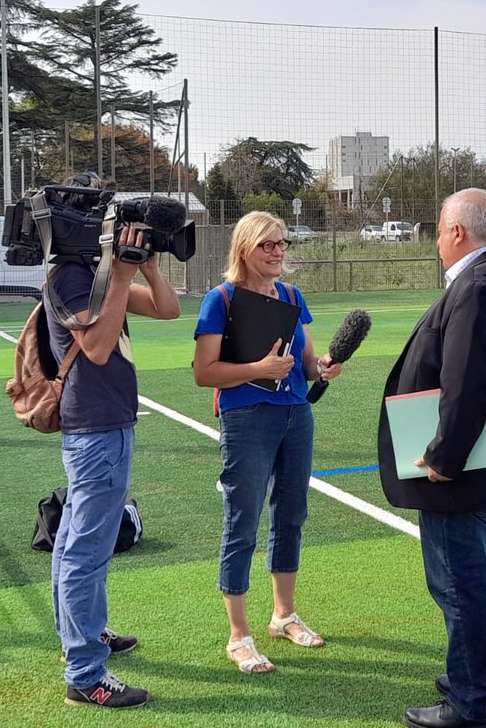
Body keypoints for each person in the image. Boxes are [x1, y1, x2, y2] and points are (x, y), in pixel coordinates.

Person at [377, 189, 486, 728]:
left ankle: (472, 704)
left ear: (456, 232)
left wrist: (443, 455)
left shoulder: (477, 285)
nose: (436, 241)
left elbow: (467, 382)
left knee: (462, 586)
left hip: (464, 472)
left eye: (439, 231)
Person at [46, 173, 180, 709]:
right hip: (96, 428)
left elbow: (168, 309)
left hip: (108, 423)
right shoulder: (69, 278)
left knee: (78, 541)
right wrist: (120, 275)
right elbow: (97, 349)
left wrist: (144, 264)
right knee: (86, 547)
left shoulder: (95, 273)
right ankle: (84, 672)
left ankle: (83, 636)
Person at [193, 211, 342, 674]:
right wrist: (258, 370)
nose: (278, 253)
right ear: (245, 249)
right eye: (268, 245)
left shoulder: (293, 296)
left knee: (291, 513)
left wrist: (322, 368)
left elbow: (307, 360)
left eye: (282, 245)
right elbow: (203, 372)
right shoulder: (220, 299)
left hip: (297, 415)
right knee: (243, 522)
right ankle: (239, 635)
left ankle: (283, 616)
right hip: (246, 419)